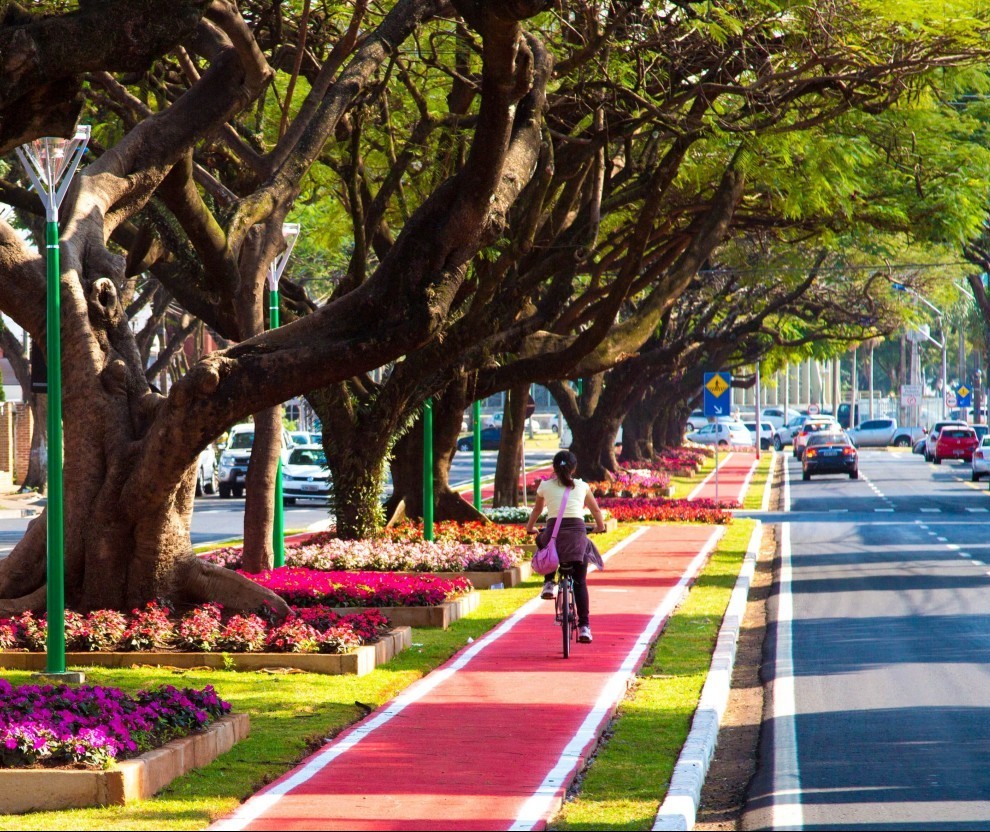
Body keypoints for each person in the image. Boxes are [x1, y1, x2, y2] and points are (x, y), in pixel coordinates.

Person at [525, 450, 607, 644]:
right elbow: (595, 509)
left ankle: (548, 582)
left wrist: (530, 528)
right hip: (577, 535)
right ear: (574, 468)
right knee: (580, 582)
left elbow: (537, 510)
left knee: (543, 542)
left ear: (554, 468)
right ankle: (584, 627)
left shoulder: (545, 486)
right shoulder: (582, 486)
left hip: (555, 533)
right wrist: (601, 526)